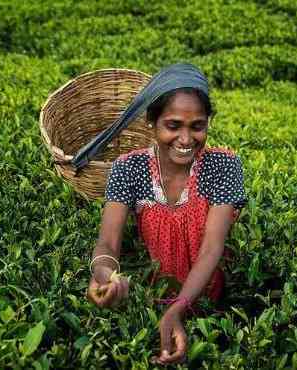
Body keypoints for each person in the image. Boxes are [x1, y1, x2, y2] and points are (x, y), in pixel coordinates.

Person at [86, 63, 247, 365]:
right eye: (173, 125)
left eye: (197, 126)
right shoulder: (128, 168)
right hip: (153, 294)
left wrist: (178, 308)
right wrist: (104, 274)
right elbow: (107, 241)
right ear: (152, 121)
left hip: (210, 296)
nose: (186, 139)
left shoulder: (224, 166)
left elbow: (212, 248)